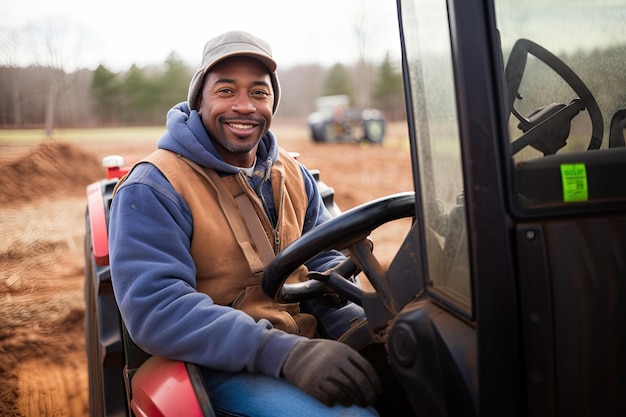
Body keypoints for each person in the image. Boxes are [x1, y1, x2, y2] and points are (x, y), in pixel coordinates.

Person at [108, 30, 382, 416]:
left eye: (259, 92)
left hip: (297, 345)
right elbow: (157, 310)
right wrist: (282, 353)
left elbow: (323, 266)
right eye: (225, 91)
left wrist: (358, 328)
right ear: (199, 99)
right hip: (212, 363)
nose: (245, 106)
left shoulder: (293, 174)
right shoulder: (154, 187)